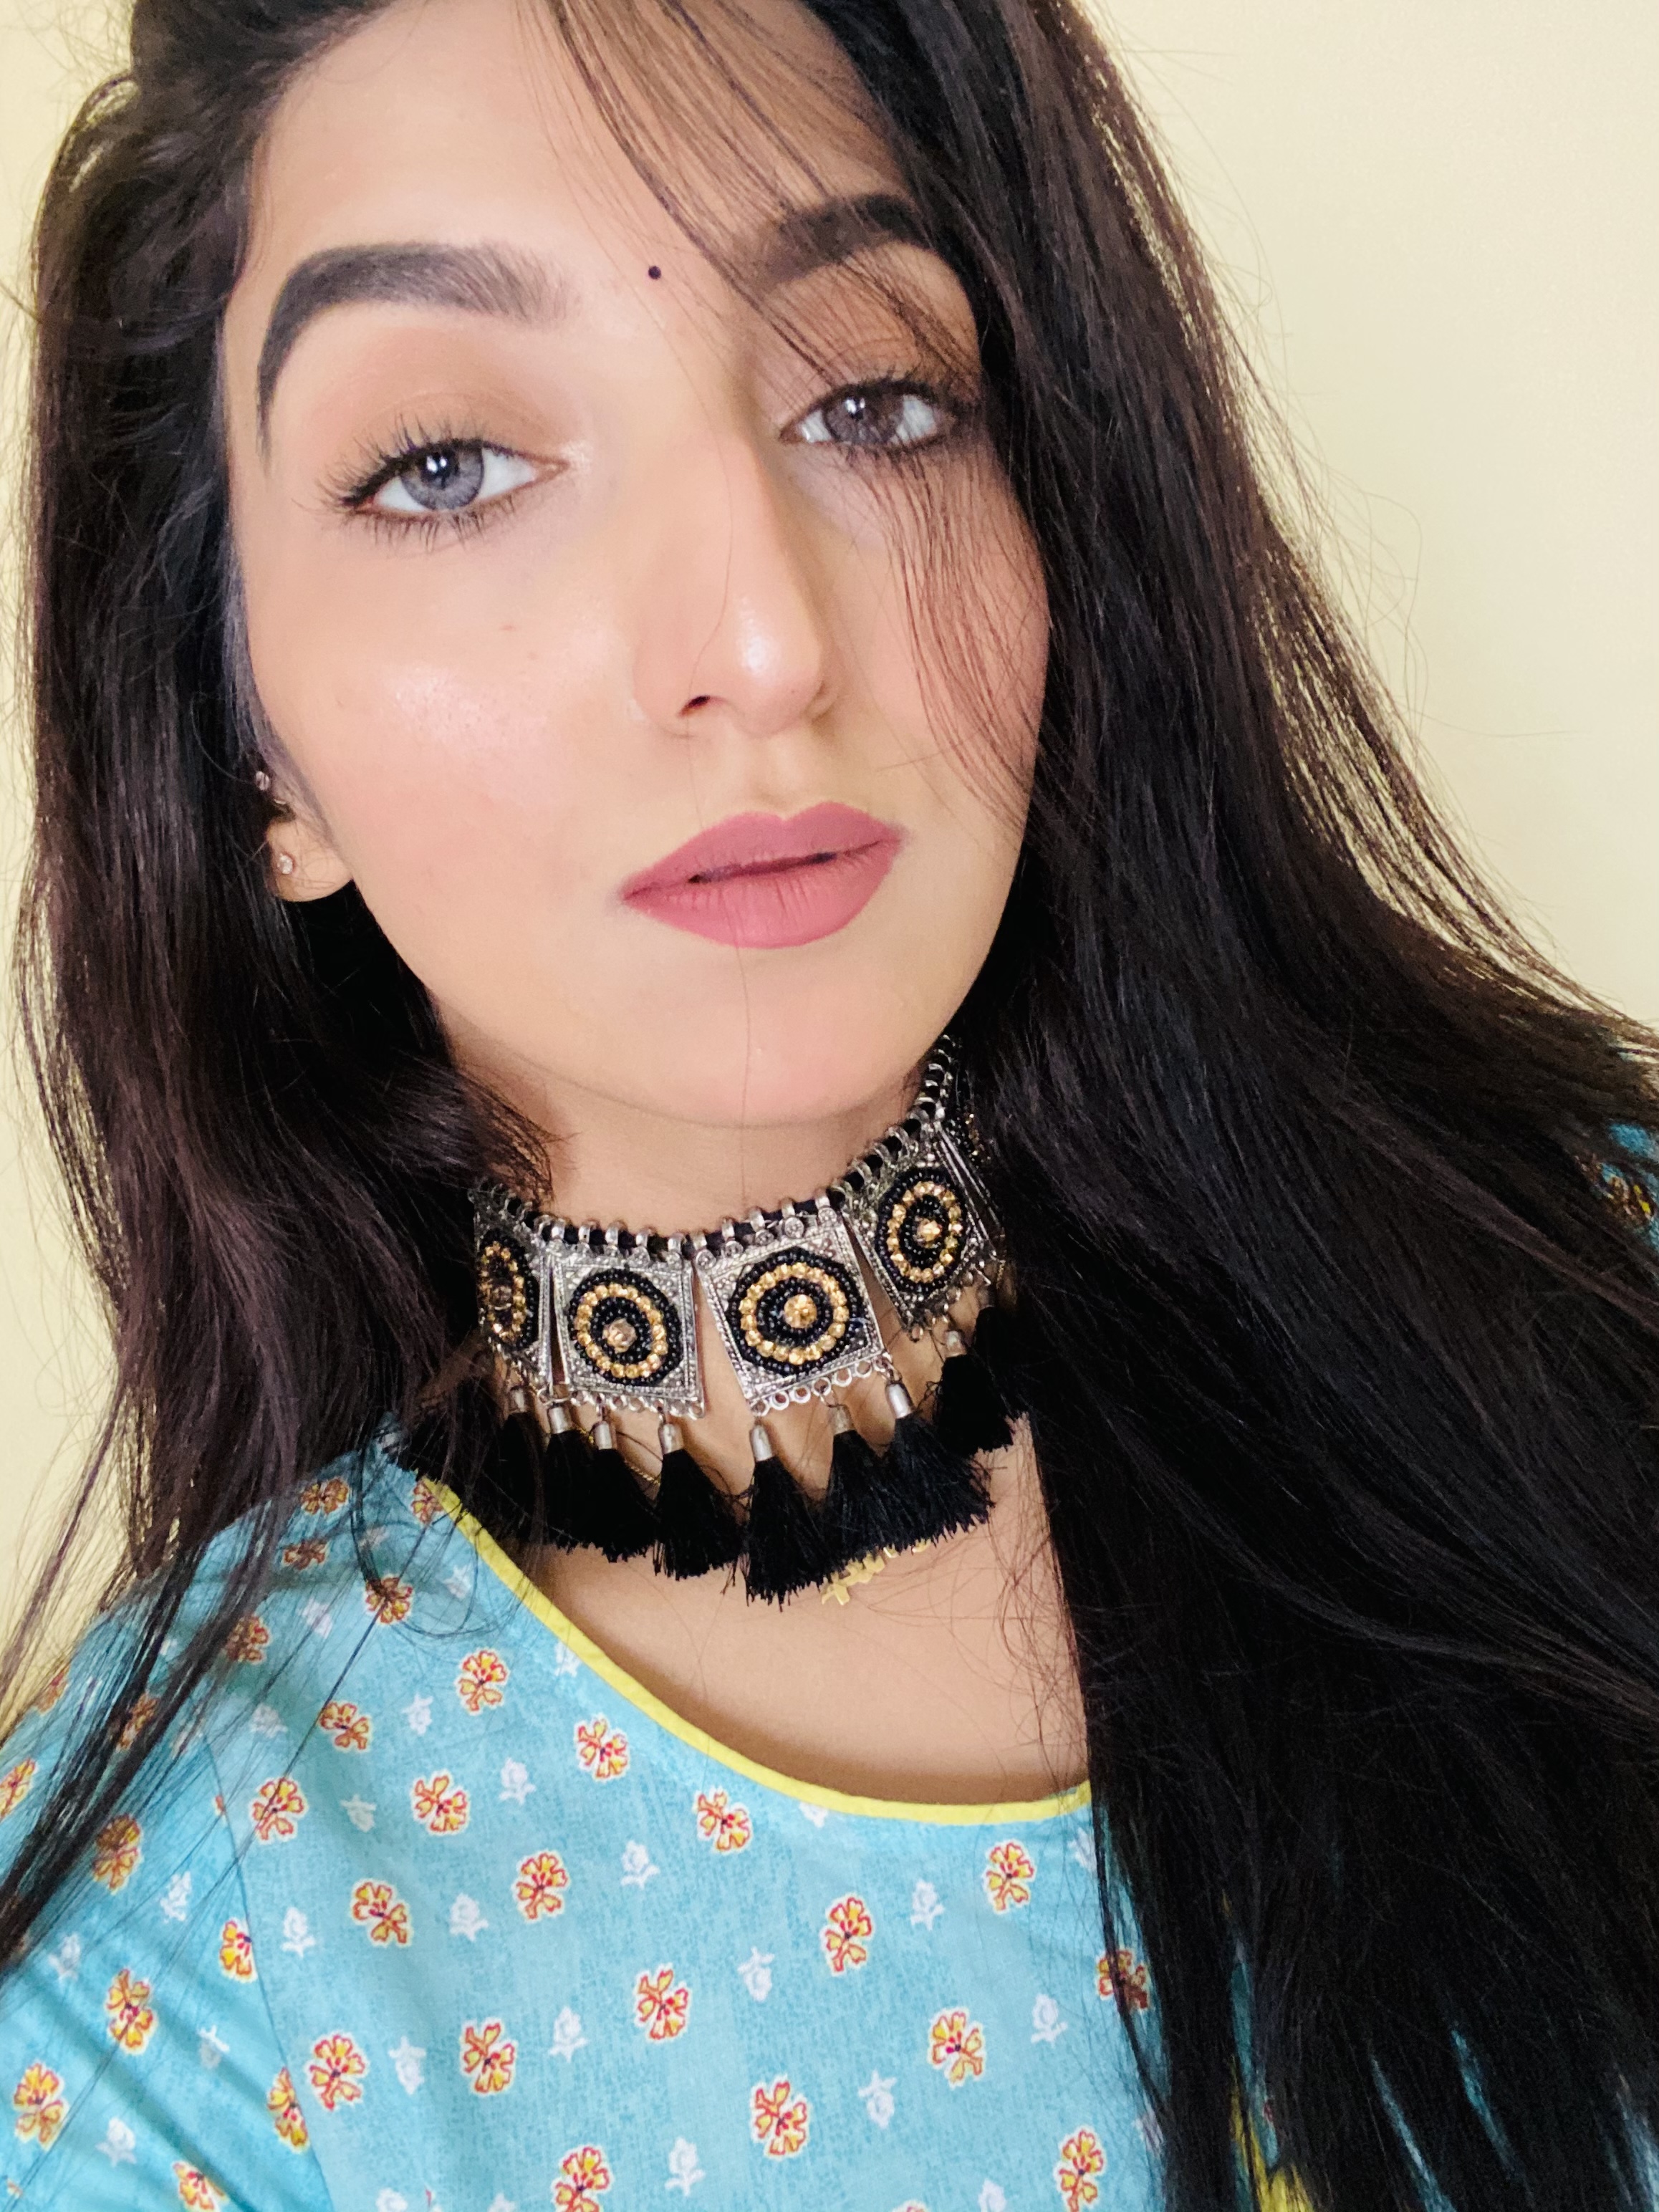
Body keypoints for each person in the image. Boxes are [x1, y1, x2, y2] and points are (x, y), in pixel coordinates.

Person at [2, 0, 1657, 2204]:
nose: (762, 641)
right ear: (250, 755)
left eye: (872, 404)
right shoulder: (170, 1984)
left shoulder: (1589, 1290)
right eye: (449, 465)